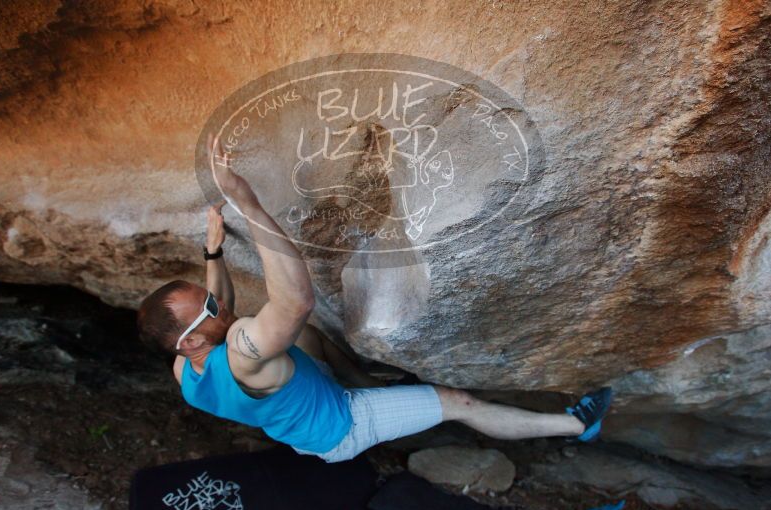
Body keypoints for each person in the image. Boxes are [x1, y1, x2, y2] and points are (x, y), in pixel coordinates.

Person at [136, 135, 613, 463]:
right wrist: (249, 204)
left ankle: (366, 379)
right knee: (457, 402)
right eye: (211, 310)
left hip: (299, 423)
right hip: (342, 426)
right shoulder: (242, 352)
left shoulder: (185, 371)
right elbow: (293, 302)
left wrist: (213, 249)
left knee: (302, 337)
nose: (221, 304)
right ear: (192, 341)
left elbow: (215, 303)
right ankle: (578, 426)